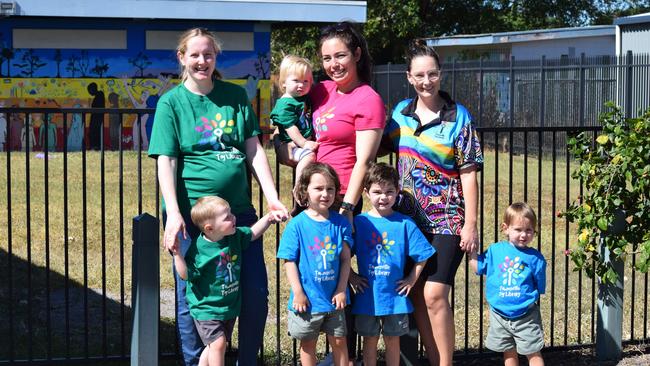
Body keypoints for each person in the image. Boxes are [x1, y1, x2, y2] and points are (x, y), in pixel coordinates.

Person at [148, 27, 288, 366]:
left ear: (215, 58)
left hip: (237, 213)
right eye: (194, 55)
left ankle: (248, 360)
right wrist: (174, 214)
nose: (202, 61)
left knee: (254, 291)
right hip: (194, 218)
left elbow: (253, 150)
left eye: (208, 55)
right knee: (193, 293)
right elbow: (166, 161)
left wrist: (271, 197)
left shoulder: (235, 96)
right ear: (182, 58)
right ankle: (198, 359)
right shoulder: (172, 103)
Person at [382, 39, 483, 366]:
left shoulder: (459, 117)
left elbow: (469, 173)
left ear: (441, 75)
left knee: (434, 293)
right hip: (407, 221)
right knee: (415, 294)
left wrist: (471, 224)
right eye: (420, 75)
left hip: (448, 220)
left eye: (433, 74)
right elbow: (376, 147)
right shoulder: (399, 114)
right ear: (409, 77)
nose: (427, 81)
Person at [312, 21, 386, 363]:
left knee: (348, 277)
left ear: (357, 54)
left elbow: (364, 160)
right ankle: (326, 352)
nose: (333, 64)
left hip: (342, 202)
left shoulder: (367, 98)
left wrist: (346, 207)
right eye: (327, 57)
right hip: (314, 198)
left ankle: (347, 354)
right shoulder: (321, 90)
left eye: (340, 55)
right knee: (320, 276)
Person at [172, 196, 278, 366]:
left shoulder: (234, 236)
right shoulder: (199, 250)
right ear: (210, 228)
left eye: (231, 213)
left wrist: (269, 218)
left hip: (228, 306)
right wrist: (177, 255)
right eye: (227, 217)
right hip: (206, 308)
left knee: (214, 346)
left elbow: (252, 233)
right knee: (218, 344)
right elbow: (186, 275)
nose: (233, 217)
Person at [351, 162, 434, 366]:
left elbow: (423, 255)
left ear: (398, 191)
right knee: (369, 341)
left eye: (389, 191)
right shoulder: (360, 223)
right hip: (368, 297)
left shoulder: (405, 223)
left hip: (395, 297)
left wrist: (411, 279)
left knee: (392, 340)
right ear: (366, 193)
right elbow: (342, 255)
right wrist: (352, 277)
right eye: (377, 191)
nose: (383, 197)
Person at [277, 162, 352, 366]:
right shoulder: (296, 225)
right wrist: (298, 292)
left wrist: (341, 289)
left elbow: (346, 259)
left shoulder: (341, 223)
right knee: (308, 344)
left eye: (330, 188)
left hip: (334, 299)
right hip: (307, 301)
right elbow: (289, 261)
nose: (325, 194)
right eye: (318, 188)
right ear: (304, 191)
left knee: (339, 341)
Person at [469, 202, 546, 366]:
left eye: (529, 230)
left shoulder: (536, 258)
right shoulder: (495, 251)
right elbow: (478, 267)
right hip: (499, 315)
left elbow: (540, 285)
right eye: (518, 229)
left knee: (533, 353)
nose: (523, 235)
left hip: (526, 315)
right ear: (506, 228)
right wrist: (471, 250)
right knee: (508, 353)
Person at [270, 54, 317, 214]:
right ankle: (298, 190)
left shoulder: (301, 99)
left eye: (305, 81)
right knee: (308, 157)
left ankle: (301, 199)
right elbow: (291, 128)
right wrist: (304, 143)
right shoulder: (285, 104)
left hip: (300, 143)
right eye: (296, 81)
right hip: (292, 144)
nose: (301, 85)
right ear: (283, 83)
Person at [122, 78, 150, 151]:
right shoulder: (137, 105)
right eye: (143, 94)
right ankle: (137, 147)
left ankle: (144, 147)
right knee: (136, 133)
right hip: (136, 128)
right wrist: (126, 85)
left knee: (143, 135)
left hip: (143, 130)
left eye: (146, 94)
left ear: (148, 97)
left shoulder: (148, 108)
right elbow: (131, 97)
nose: (144, 95)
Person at [87, 82, 105, 150]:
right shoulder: (98, 95)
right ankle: (94, 146)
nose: (89, 92)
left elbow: (98, 108)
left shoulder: (99, 94)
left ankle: (95, 146)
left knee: (94, 132)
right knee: (93, 132)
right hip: (96, 118)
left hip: (97, 118)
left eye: (89, 90)